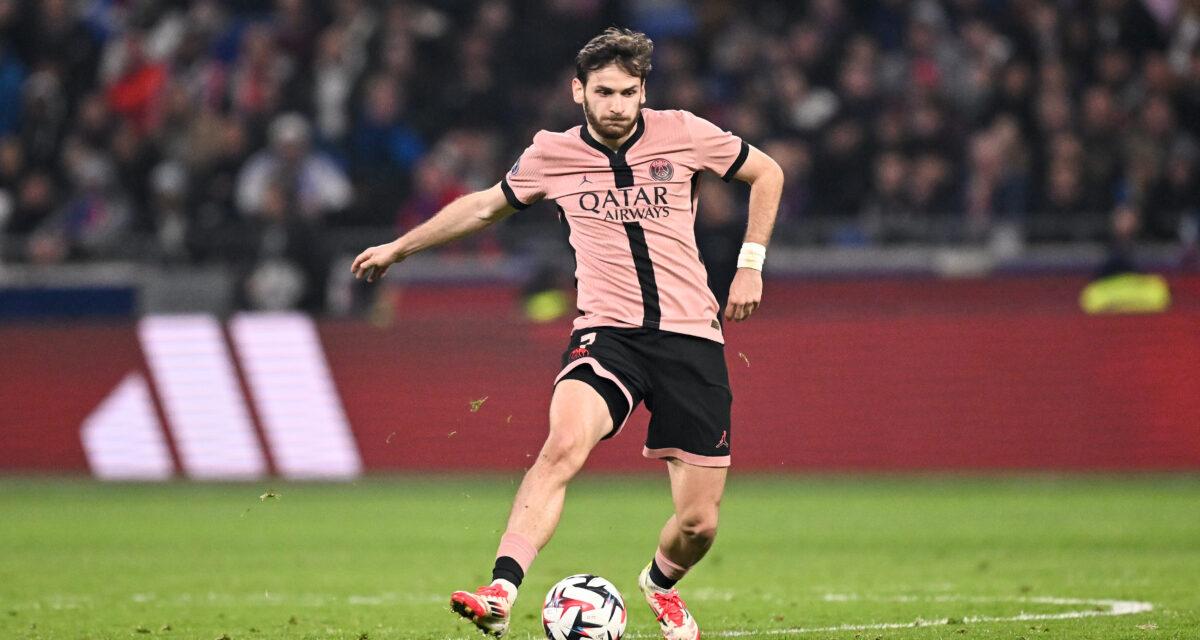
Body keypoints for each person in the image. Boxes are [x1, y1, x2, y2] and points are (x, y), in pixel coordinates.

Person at [351, 27, 783, 640]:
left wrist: (750, 265)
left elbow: (767, 173)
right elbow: (483, 206)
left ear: (644, 91)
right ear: (578, 91)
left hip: (691, 337)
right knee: (562, 445)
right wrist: (399, 248)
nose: (617, 106)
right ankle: (501, 590)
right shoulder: (550, 154)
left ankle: (660, 584)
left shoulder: (684, 132)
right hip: (608, 335)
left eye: (628, 93)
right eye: (604, 92)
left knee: (698, 525)